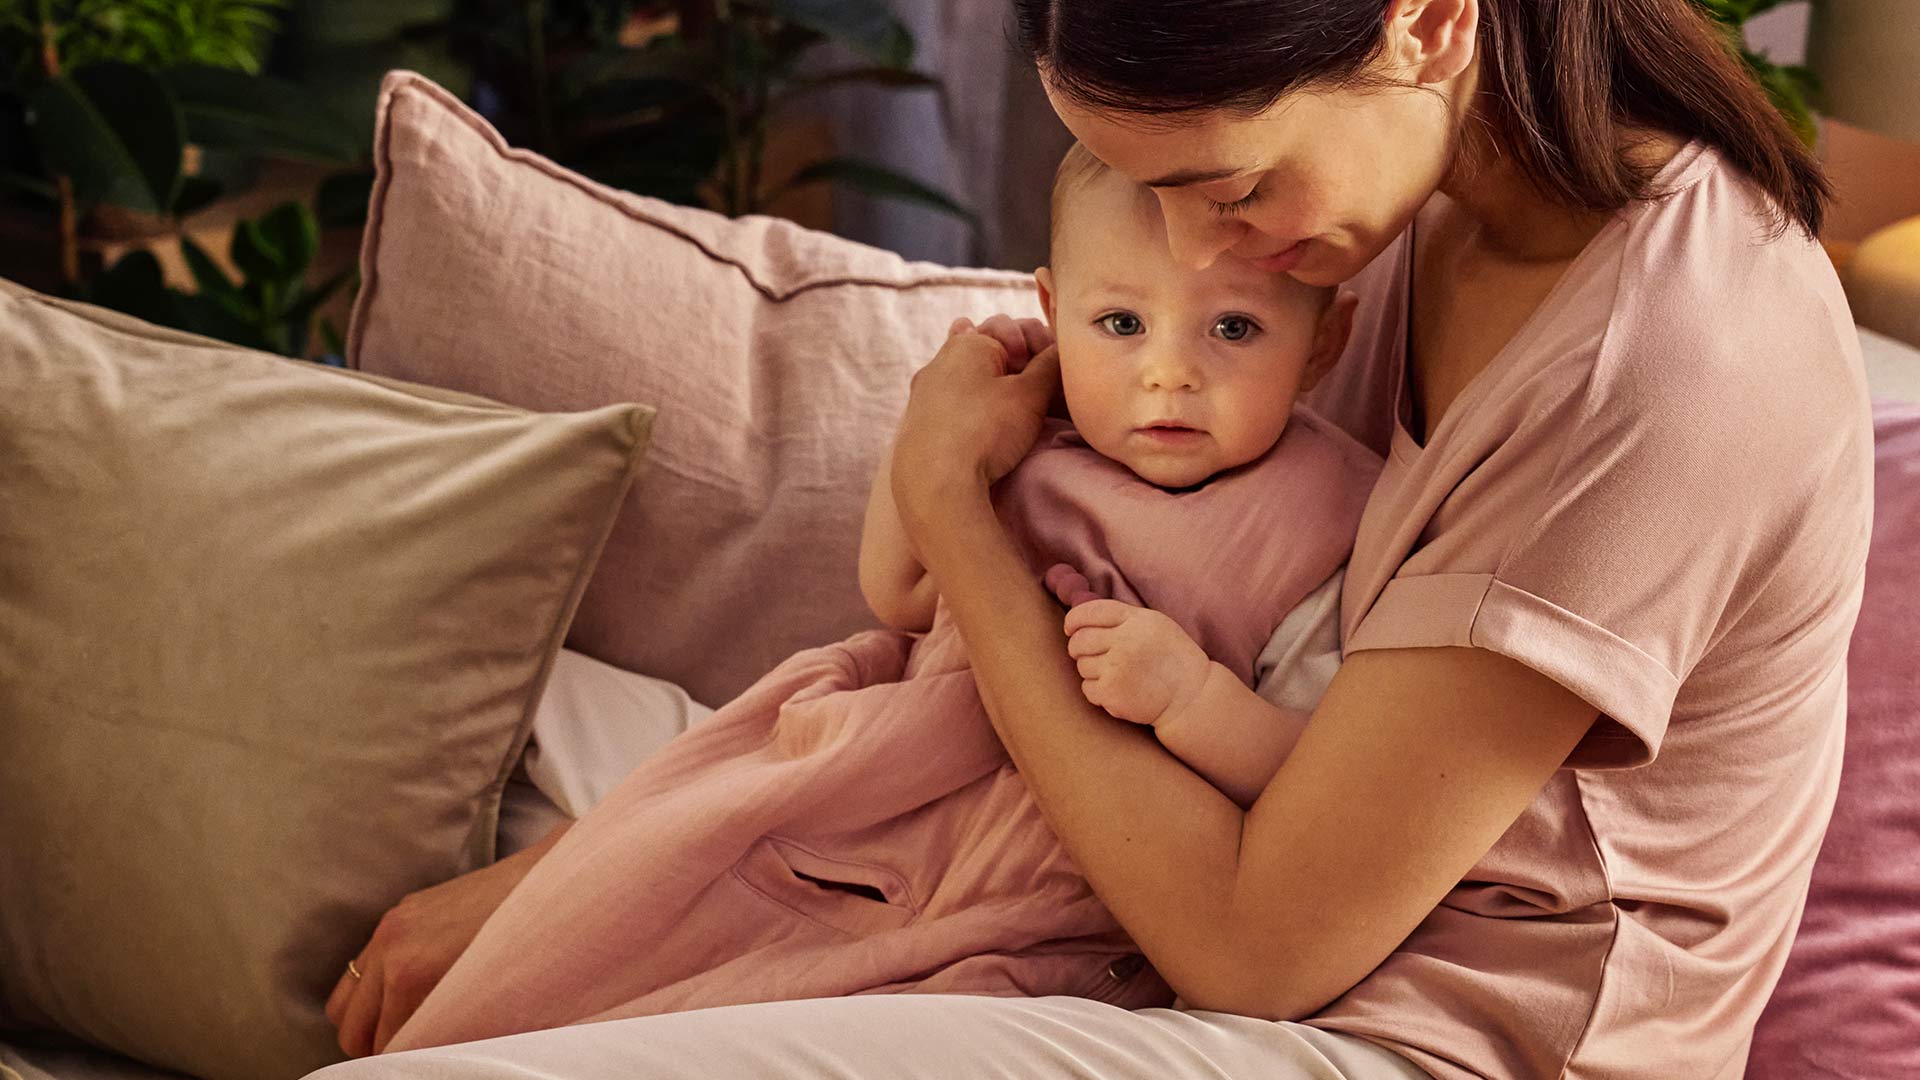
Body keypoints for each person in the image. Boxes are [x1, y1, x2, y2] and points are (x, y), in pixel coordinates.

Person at [309, 0, 1874, 1076]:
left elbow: (1256, 947)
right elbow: (953, 664)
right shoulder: (1413, 209)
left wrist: (949, 519)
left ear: (1432, 20)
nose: (1201, 255)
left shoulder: (1664, 357)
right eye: (1143, 194)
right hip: (1127, 889)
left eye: (1231, 185)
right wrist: (579, 876)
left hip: (1400, 1035)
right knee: (472, 754)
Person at [344, 140, 1384, 1054]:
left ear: (1322, 347)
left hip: (1060, 864)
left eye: (1234, 332)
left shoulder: (1322, 524)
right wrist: (937, 449)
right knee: (628, 910)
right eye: (1120, 322)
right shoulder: (1029, 439)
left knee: (803, 991)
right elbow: (896, 591)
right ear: (1053, 313)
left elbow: (1317, 778)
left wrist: (1194, 701)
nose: (1169, 374)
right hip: (869, 782)